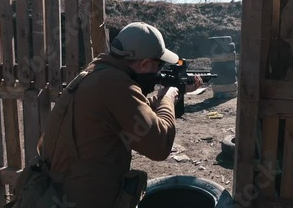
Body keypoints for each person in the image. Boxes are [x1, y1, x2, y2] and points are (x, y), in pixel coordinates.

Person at [36, 22, 202, 208]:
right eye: (158, 65)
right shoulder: (117, 84)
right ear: (145, 63)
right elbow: (159, 144)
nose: (158, 72)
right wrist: (169, 98)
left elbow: (134, 111)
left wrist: (172, 93)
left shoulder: (97, 72)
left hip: (57, 192)